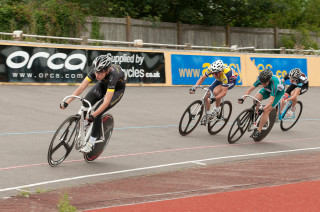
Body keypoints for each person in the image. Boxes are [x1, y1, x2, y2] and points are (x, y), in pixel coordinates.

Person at [60, 55, 125, 153]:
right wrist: (67, 102)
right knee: (86, 102)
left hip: (116, 90)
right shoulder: (96, 71)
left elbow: (106, 102)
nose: (97, 75)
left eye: (100, 72)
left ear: (107, 70)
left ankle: (91, 143)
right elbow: (81, 88)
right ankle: (86, 124)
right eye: (95, 72)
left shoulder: (113, 75)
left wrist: (93, 115)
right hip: (103, 85)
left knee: (98, 112)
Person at [238, 69, 285, 139]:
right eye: (262, 83)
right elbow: (250, 89)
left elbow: (271, 101)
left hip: (277, 93)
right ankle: (258, 113)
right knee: (255, 99)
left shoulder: (274, 84)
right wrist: (243, 98)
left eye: (265, 83)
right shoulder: (261, 79)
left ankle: (258, 130)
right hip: (267, 90)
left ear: (269, 80)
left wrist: (263, 109)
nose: (263, 85)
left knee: (266, 110)